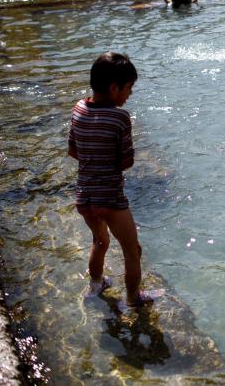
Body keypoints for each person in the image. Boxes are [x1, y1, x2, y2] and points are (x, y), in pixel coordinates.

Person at [68, 52, 152, 307]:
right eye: (128, 88)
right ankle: (133, 298)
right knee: (132, 251)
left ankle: (96, 285)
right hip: (111, 198)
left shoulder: (78, 108)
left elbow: (73, 152)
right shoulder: (120, 118)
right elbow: (126, 161)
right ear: (114, 88)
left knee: (100, 241)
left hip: (85, 196)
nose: (130, 94)